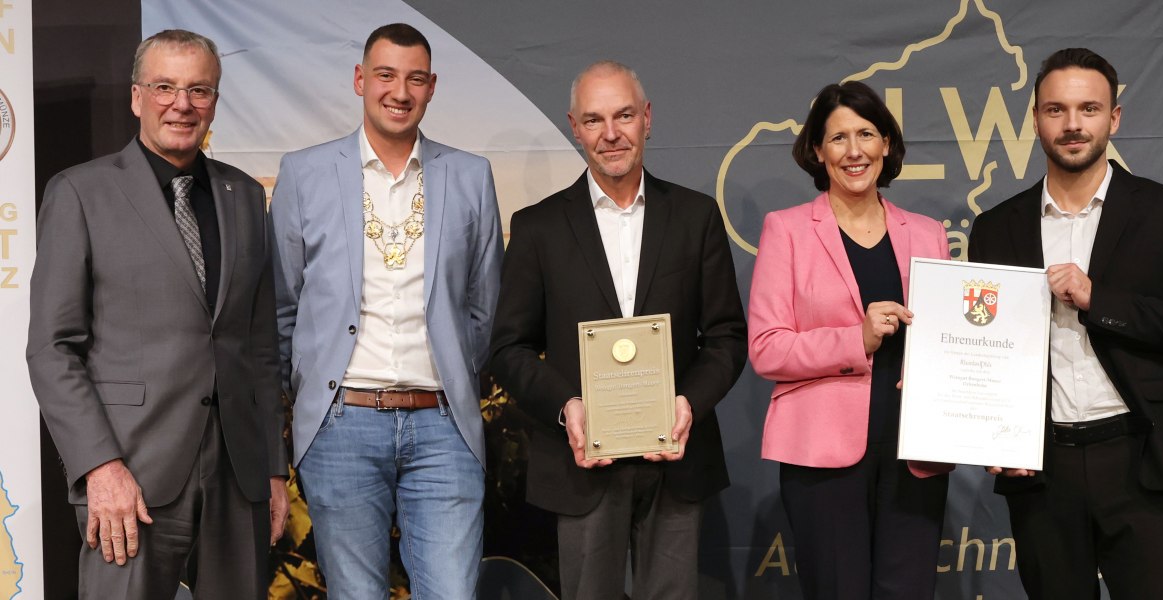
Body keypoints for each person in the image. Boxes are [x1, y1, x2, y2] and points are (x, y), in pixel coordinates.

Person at [26, 29, 288, 599]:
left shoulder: (245, 195)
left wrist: (272, 465)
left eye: (199, 89)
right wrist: (100, 467)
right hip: (131, 473)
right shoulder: (79, 193)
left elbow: (260, 344)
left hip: (239, 474)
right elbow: (52, 348)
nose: (182, 103)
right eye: (165, 86)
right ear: (136, 96)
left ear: (215, 101)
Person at [970, 48, 1163, 599]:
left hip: (1141, 458)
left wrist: (1097, 297)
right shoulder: (995, 227)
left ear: (1114, 118)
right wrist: (989, 429)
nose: (1072, 125)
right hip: (1041, 467)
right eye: (1056, 110)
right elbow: (984, 347)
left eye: (1088, 109)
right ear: (1035, 119)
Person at [489, 61, 746, 599]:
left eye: (624, 115)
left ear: (647, 118)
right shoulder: (538, 228)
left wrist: (688, 404)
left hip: (676, 458)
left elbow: (725, 336)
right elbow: (509, 349)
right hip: (581, 462)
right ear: (574, 126)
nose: (611, 134)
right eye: (594, 119)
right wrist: (568, 407)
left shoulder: (696, 217)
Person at [269, 23, 502, 598]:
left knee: (452, 592)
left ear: (431, 88)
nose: (400, 91)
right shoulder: (304, 173)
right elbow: (281, 308)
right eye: (386, 75)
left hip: (444, 426)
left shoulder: (470, 176)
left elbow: (484, 305)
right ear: (360, 81)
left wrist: (448, 375)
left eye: (415, 78)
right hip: (342, 423)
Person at [746, 81, 952, 599]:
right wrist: (854, 338)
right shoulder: (787, 230)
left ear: (886, 143)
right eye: (838, 138)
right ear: (817, 151)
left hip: (915, 451)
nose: (854, 151)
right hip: (823, 457)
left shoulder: (927, 233)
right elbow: (767, 347)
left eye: (866, 134)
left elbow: (948, 341)